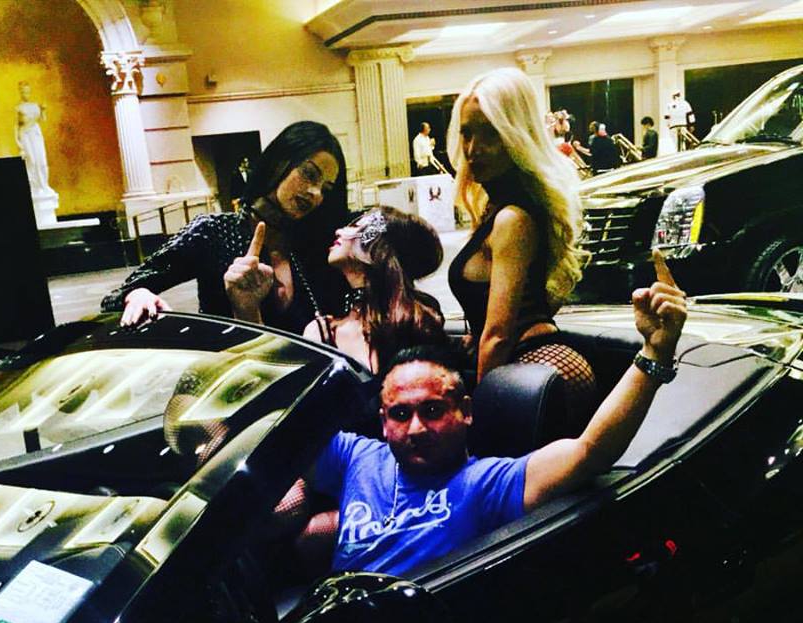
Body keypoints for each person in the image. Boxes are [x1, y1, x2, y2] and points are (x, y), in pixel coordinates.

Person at [311, 254, 687, 577]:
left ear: (465, 411)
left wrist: (655, 352)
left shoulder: (486, 483)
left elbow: (591, 452)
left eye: (432, 410)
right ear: (382, 421)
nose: (416, 428)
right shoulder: (354, 457)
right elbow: (281, 433)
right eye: (400, 414)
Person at [446, 67, 595, 430]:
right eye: (467, 133)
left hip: (533, 367)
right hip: (543, 365)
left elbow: (498, 336)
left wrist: (478, 416)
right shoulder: (506, 208)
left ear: (516, 134)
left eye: (490, 134)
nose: (473, 149)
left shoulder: (512, 218)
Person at [102, 121, 349, 332]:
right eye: (309, 174)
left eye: (326, 189)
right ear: (278, 163)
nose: (315, 193)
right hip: (226, 368)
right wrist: (138, 295)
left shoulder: (317, 245)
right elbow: (116, 296)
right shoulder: (214, 232)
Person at [300, 207, 447, 373]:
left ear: (378, 247)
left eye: (356, 227)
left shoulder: (416, 323)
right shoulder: (320, 332)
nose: (339, 231)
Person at [15, 81, 53, 196]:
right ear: (20, 92)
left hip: (36, 134)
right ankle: (34, 188)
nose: (26, 94)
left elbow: (43, 119)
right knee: (31, 161)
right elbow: (16, 126)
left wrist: (43, 110)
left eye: (27, 92)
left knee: (41, 160)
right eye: (23, 92)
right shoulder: (18, 108)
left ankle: (44, 186)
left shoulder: (35, 105)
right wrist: (18, 143)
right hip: (25, 135)